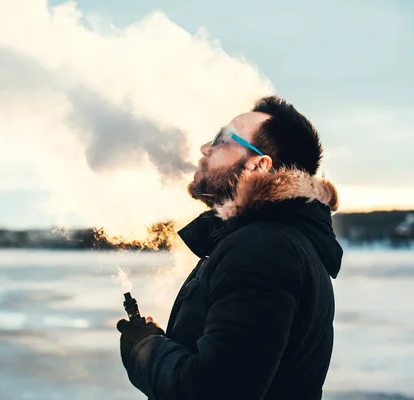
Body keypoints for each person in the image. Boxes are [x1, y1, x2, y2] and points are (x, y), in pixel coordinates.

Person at [117, 96, 343, 400]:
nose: (204, 149)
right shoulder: (277, 241)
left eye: (222, 140)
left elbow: (214, 391)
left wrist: (145, 350)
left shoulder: (262, 248)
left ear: (259, 165)